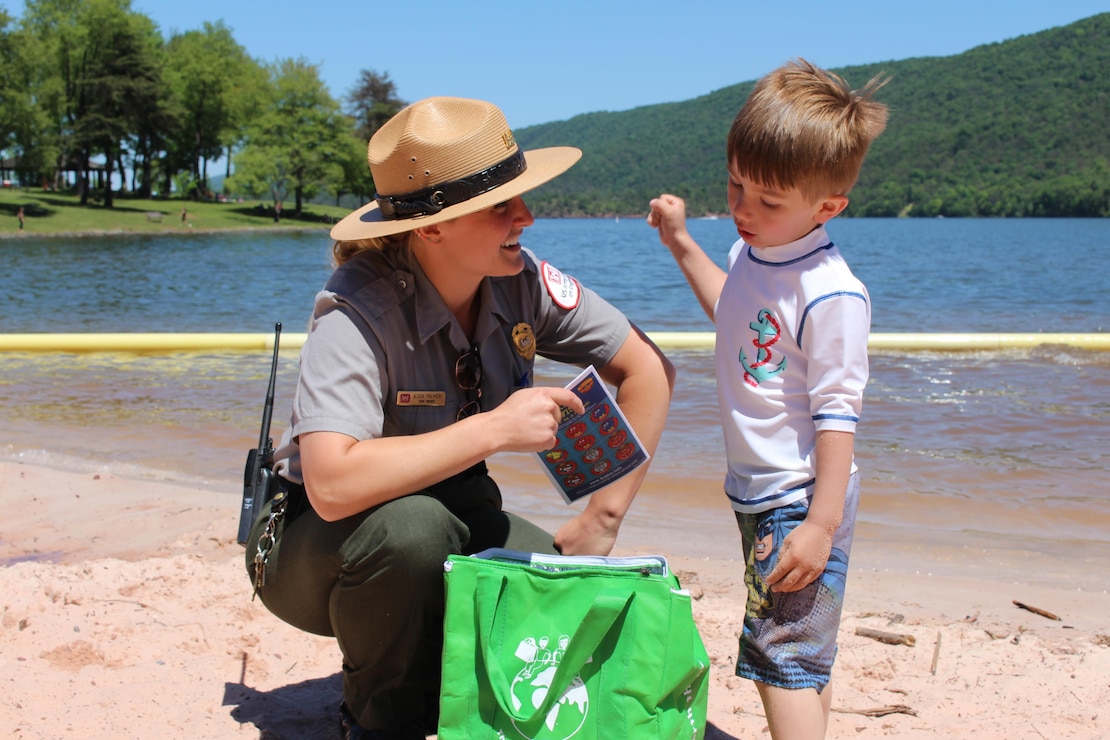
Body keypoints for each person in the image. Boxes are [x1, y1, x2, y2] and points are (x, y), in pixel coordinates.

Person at [245, 96, 675, 740]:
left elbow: (648, 370)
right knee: (412, 531)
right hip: (311, 545)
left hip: (456, 510)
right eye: (500, 205)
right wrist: (496, 427)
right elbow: (333, 487)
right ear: (431, 227)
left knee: (566, 588)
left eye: (521, 197)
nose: (526, 217)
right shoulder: (355, 308)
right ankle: (378, 719)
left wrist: (600, 519)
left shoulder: (521, 281)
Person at [648, 58, 888, 740]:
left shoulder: (830, 291)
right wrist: (681, 242)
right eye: (735, 184)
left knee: (778, 656)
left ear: (827, 207)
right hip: (762, 495)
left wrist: (820, 522)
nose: (744, 207)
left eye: (768, 200)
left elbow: (838, 414)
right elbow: (734, 313)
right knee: (801, 650)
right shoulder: (755, 254)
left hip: (800, 497)